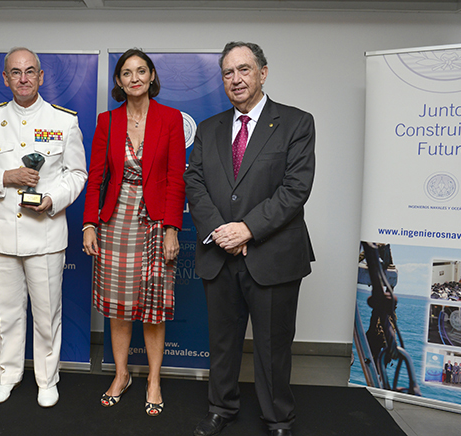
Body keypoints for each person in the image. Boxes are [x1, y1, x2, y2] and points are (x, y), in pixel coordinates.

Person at [184, 41, 315, 436]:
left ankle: (278, 417)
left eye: (244, 69)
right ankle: (221, 408)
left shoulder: (296, 123)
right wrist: (222, 232)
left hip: (272, 254)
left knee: (273, 345)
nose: (236, 79)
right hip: (219, 254)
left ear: (263, 73)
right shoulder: (209, 128)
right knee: (222, 342)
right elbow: (195, 183)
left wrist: (247, 229)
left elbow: (295, 189)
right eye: (228, 72)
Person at [0, 47, 87, 408]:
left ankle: (47, 380)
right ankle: (8, 375)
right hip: (2, 234)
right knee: (9, 313)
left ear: (41, 76)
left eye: (30, 71)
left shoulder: (63, 121)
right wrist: (7, 176)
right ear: (5, 79)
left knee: (47, 315)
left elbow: (77, 174)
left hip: (45, 234)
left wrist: (52, 198)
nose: (23, 78)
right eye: (15, 72)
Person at [82, 49, 186, 416]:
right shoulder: (107, 121)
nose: (135, 78)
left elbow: (176, 178)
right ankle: (121, 374)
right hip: (115, 220)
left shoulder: (170, 119)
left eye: (141, 71)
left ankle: (153, 380)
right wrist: (90, 223)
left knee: (153, 309)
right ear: (119, 81)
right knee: (118, 305)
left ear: (152, 75)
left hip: (156, 220)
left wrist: (172, 228)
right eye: (127, 73)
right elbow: (96, 176)